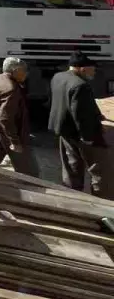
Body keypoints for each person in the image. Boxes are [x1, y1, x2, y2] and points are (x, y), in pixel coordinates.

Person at [48, 52, 110, 196]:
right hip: (80, 133)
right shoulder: (80, 85)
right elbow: (80, 115)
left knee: (71, 165)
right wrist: (88, 138)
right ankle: (102, 199)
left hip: (64, 129)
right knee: (99, 169)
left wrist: (96, 114)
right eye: (92, 69)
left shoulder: (58, 77)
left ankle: (73, 195)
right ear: (82, 69)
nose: (94, 72)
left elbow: (64, 102)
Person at [0, 56, 38, 176]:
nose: (26, 74)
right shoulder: (11, 88)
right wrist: (14, 141)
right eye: (24, 70)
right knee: (28, 170)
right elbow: (5, 117)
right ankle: (33, 190)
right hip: (9, 132)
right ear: (15, 71)